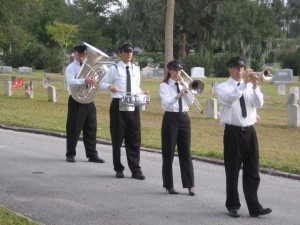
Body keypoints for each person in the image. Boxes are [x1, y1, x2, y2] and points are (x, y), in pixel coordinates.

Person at [216, 56, 272, 218]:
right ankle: (233, 205)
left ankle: (254, 206)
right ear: (230, 69)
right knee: (232, 170)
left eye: (242, 68)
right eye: (237, 68)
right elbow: (229, 99)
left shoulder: (248, 86)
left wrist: (254, 87)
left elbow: (258, 104)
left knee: (253, 170)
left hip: (250, 131)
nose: (241, 70)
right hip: (233, 132)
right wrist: (244, 84)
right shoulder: (224, 86)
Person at [100, 43, 149, 180]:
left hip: (132, 103)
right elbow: (101, 83)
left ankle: (135, 169)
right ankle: (118, 168)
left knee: (134, 137)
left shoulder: (136, 69)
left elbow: (136, 86)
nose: (129, 54)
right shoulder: (114, 68)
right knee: (117, 137)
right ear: (120, 53)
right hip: (118, 104)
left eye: (131, 52)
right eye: (126, 52)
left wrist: (142, 92)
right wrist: (110, 86)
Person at [159, 59, 195, 196]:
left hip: (184, 117)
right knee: (168, 152)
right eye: (174, 70)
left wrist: (186, 89)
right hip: (170, 118)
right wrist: (178, 95)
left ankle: (190, 185)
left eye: (179, 70)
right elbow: (166, 104)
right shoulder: (164, 86)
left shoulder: (183, 83)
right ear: (169, 70)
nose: (177, 73)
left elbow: (191, 101)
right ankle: (169, 185)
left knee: (185, 152)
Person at [64, 44, 105, 163]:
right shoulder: (71, 67)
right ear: (74, 53)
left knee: (91, 127)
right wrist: (84, 80)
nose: (82, 55)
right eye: (79, 52)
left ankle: (92, 154)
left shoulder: (90, 66)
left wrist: (94, 82)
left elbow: (95, 80)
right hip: (75, 100)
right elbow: (70, 82)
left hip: (88, 99)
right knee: (74, 128)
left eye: (83, 53)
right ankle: (70, 154)